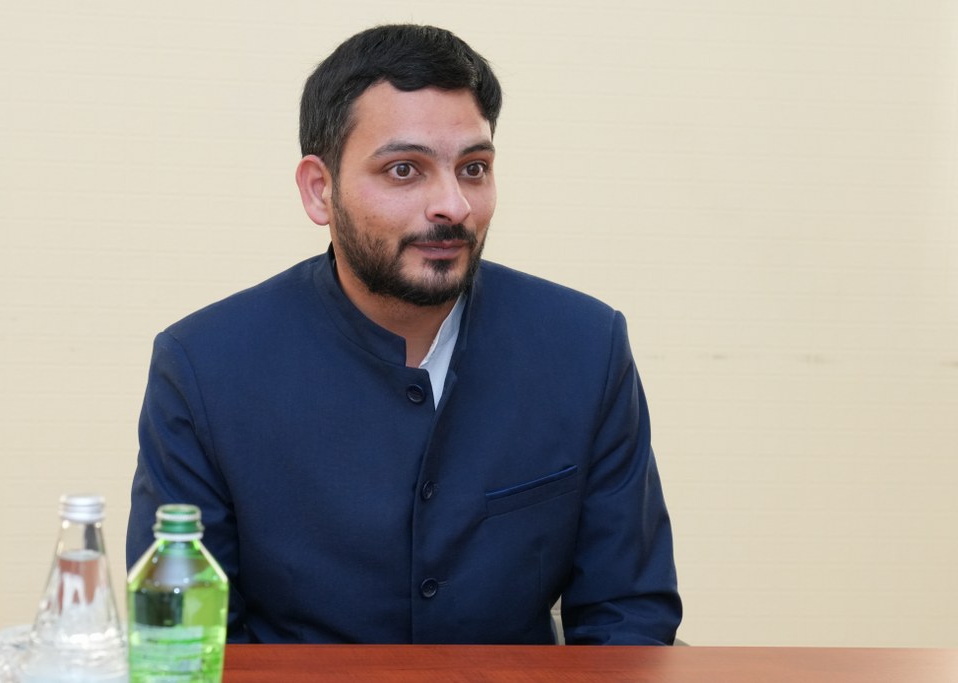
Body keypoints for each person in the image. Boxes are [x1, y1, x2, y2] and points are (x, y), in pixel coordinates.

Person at [127, 23, 681, 646]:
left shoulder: (584, 346)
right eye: (403, 170)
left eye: (474, 168)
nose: (453, 205)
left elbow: (628, 616)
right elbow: (183, 641)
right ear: (320, 190)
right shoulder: (205, 366)